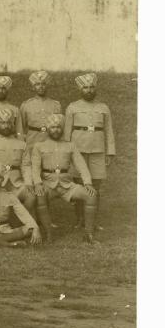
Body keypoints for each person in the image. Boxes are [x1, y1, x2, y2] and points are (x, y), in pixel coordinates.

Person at [32, 113, 98, 243]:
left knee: (91, 195)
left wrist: (88, 183)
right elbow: (35, 167)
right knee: (39, 195)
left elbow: (81, 164)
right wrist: (38, 183)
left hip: (67, 185)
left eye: (58, 127)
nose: (55, 130)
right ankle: (48, 232)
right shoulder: (39, 146)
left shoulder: (70, 145)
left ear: (62, 129)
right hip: (49, 184)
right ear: (47, 129)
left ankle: (89, 234)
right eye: (52, 127)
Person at [64, 73, 116, 223]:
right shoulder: (73, 107)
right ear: (80, 89)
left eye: (91, 87)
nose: (89, 90)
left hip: (98, 151)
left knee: (96, 186)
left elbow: (109, 131)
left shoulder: (103, 107)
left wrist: (110, 152)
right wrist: (67, 153)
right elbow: (67, 133)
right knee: (79, 186)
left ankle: (92, 220)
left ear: (95, 88)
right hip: (78, 151)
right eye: (85, 87)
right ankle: (80, 219)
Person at [0, 107, 35, 214]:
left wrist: (28, 182)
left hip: (16, 184)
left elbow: (26, 166)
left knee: (31, 195)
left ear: (12, 125)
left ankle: (20, 220)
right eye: (2, 123)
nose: (6, 126)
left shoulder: (21, 144)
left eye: (8, 123)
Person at [21, 70, 62, 146]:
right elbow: (22, 128)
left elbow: (60, 127)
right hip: (32, 141)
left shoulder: (56, 105)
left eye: (43, 84)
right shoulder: (26, 105)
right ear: (33, 87)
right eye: (37, 84)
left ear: (47, 86)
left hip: (50, 141)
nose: (41, 87)